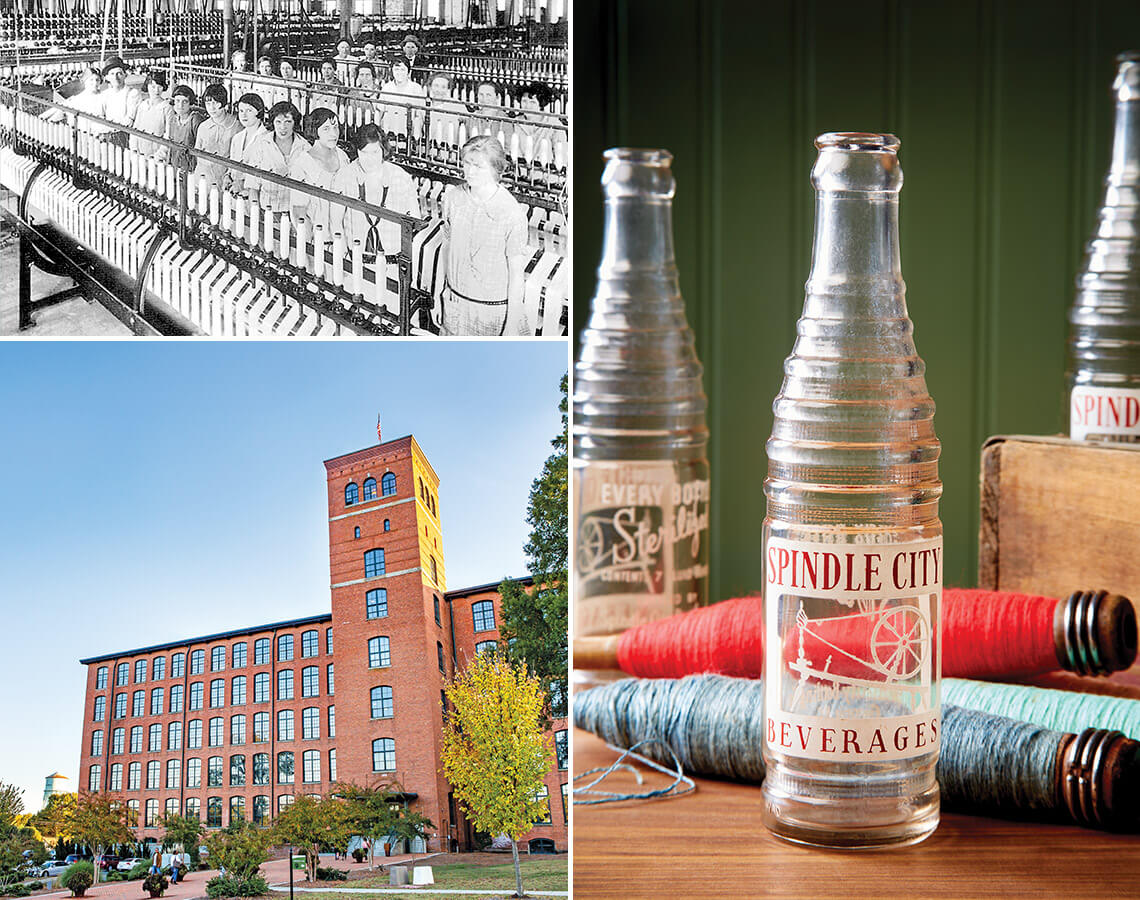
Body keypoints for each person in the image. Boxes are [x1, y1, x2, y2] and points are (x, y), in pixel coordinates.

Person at [439, 135, 530, 336]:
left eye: (478, 166)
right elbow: (447, 247)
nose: (470, 171)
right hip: (455, 304)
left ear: (495, 169)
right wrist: (443, 290)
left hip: (492, 314)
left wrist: (511, 326)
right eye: (467, 163)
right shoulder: (453, 199)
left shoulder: (510, 213)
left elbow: (516, 276)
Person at [333, 124, 421, 263]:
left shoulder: (400, 176)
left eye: (374, 152)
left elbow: (415, 220)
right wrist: (343, 255)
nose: (369, 159)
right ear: (357, 150)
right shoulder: (344, 176)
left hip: (392, 261)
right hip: (354, 258)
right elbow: (335, 221)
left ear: (383, 150)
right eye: (364, 153)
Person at [290, 107, 351, 240]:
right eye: (326, 129)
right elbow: (299, 211)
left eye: (335, 127)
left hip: (343, 241)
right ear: (314, 130)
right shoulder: (302, 164)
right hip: (317, 241)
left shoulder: (343, 157)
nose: (333, 134)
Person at [244, 100, 309, 212]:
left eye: (288, 122)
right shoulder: (262, 144)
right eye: (278, 122)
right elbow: (252, 184)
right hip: (267, 212)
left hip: (297, 215)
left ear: (295, 123)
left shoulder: (305, 147)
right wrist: (255, 213)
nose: (283, 127)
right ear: (272, 123)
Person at [194, 83, 242, 191]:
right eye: (208, 103)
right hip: (204, 178)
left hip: (226, 180)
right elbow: (198, 153)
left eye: (215, 103)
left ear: (224, 103)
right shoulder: (203, 126)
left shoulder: (236, 126)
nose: (212, 108)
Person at [227, 92, 268, 193]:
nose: (243, 115)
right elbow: (231, 166)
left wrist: (243, 183)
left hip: (254, 196)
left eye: (249, 110)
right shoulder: (237, 138)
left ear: (259, 112)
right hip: (235, 194)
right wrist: (227, 176)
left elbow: (266, 173)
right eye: (241, 111)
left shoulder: (267, 139)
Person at [160, 84, 204, 171]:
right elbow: (171, 143)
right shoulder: (174, 119)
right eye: (177, 101)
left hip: (190, 166)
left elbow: (199, 146)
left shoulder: (195, 119)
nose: (180, 105)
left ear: (190, 103)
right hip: (175, 164)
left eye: (185, 101)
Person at [378, 57, 424, 139]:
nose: (399, 73)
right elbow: (381, 110)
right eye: (396, 69)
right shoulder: (387, 87)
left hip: (408, 131)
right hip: (388, 129)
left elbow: (419, 114)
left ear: (408, 71)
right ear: (391, 71)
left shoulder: (416, 88)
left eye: (403, 69)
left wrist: (417, 133)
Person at [100, 56, 141, 146]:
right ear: (107, 77)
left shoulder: (132, 93)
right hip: (107, 136)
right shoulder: (104, 95)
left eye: (119, 73)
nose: (115, 77)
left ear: (125, 75)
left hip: (126, 136)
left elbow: (130, 119)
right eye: (112, 74)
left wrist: (110, 130)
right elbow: (100, 116)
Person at [512, 81, 556, 162]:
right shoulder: (516, 123)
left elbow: (562, 158)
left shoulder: (554, 124)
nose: (527, 106)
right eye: (524, 101)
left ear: (541, 104)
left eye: (533, 102)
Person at [130, 72, 173, 156]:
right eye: (153, 87)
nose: (156, 91)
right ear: (147, 86)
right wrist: (134, 149)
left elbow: (168, 135)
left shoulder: (167, 108)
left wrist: (159, 155)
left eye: (159, 87)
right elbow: (134, 130)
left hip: (157, 153)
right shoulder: (143, 105)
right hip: (140, 151)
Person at [466, 81, 511, 149]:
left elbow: (508, 147)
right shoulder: (473, 118)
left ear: (497, 97)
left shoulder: (504, 120)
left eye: (488, 95)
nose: (484, 99)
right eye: (481, 94)